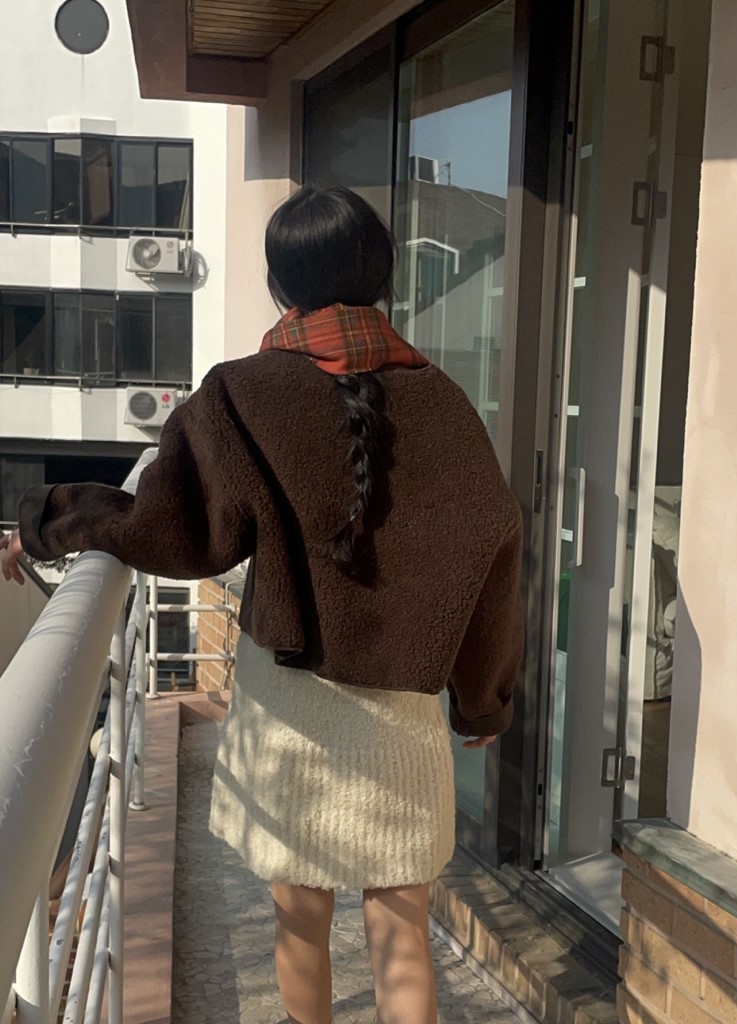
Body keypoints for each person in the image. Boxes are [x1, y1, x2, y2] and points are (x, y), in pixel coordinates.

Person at [1, 184, 523, 1024]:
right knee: (402, 932)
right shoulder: (447, 402)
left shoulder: (238, 393)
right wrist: (483, 697)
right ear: (382, 280)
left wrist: (44, 522)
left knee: (299, 923)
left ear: (281, 287)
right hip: (404, 718)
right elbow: (493, 545)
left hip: (290, 711)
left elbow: (172, 531)